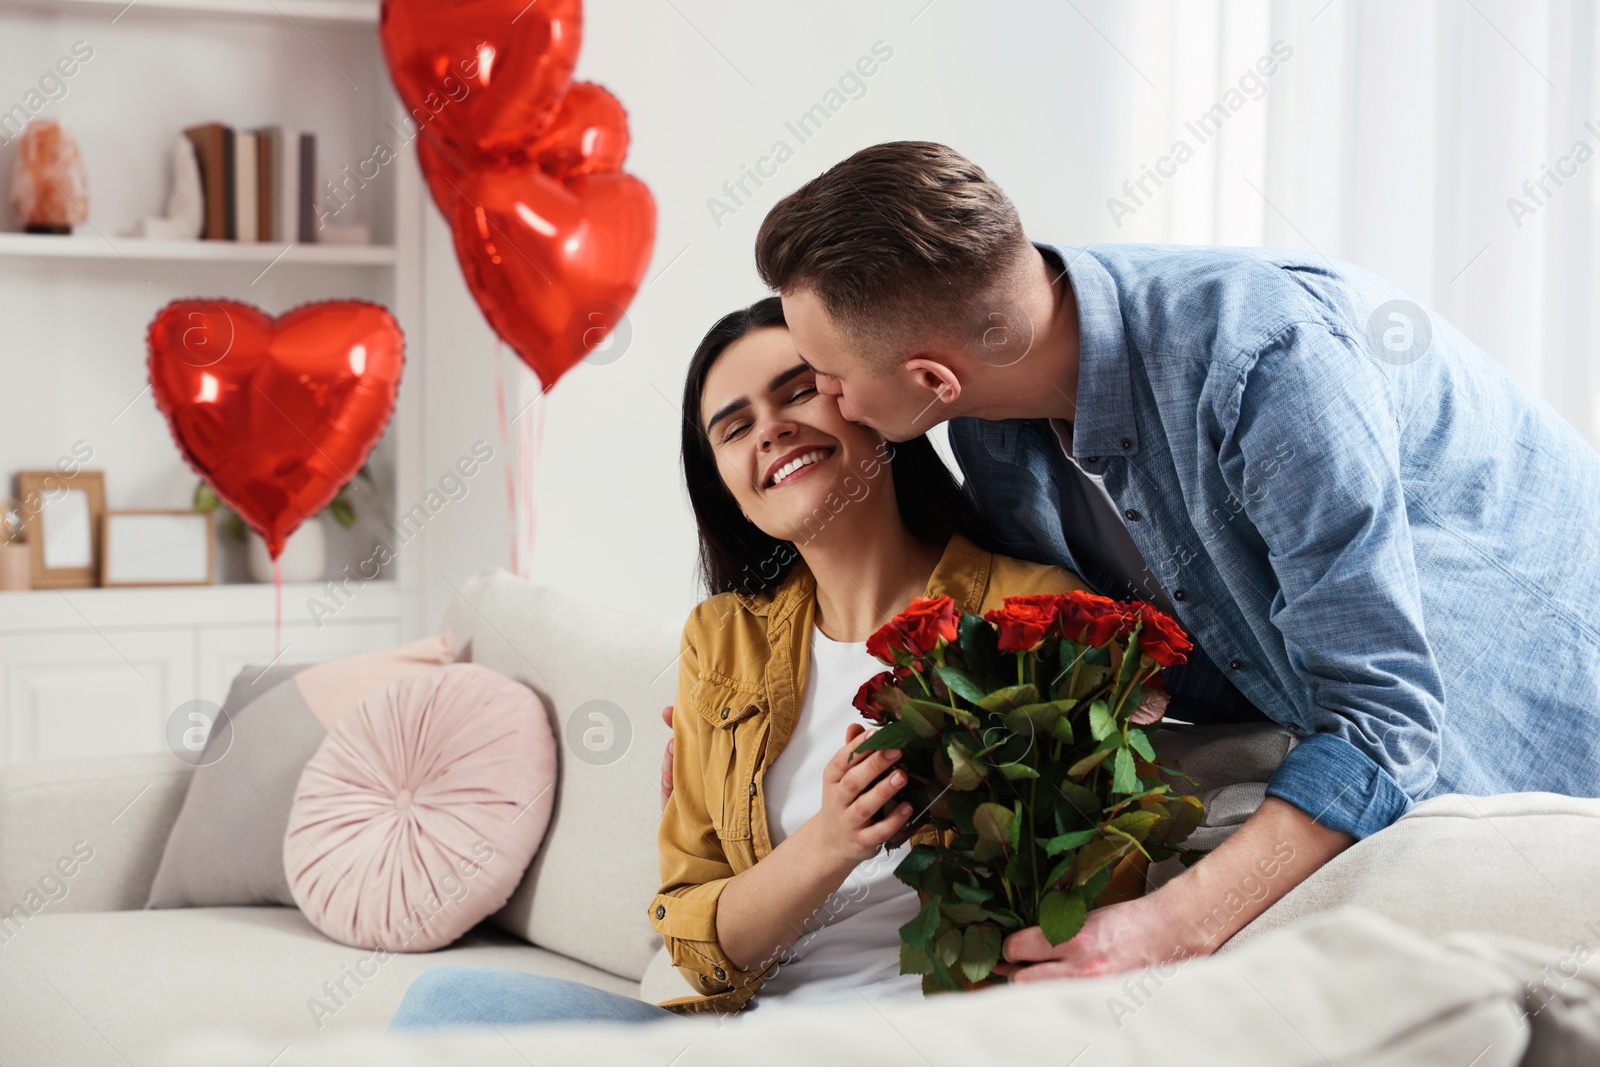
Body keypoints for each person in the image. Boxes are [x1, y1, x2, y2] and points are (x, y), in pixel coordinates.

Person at [719, 139, 1600, 983]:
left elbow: (1386, 719)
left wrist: (1173, 924)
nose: (828, 397)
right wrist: (757, 730)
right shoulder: (994, 422)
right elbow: (1124, 647)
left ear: (932, 379)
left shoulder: (1265, 362)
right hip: (1391, 761)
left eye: (826, 376)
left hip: (1537, 737)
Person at [390, 297, 1093, 1029]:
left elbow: (1091, 870)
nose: (771, 429)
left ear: (868, 403)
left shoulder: (1032, 609)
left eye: (798, 390)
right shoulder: (723, 643)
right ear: (729, 490)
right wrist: (829, 840)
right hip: (742, 1034)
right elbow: (696, 936)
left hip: (927, 1035)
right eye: (735, 427)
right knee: (444, 1005)